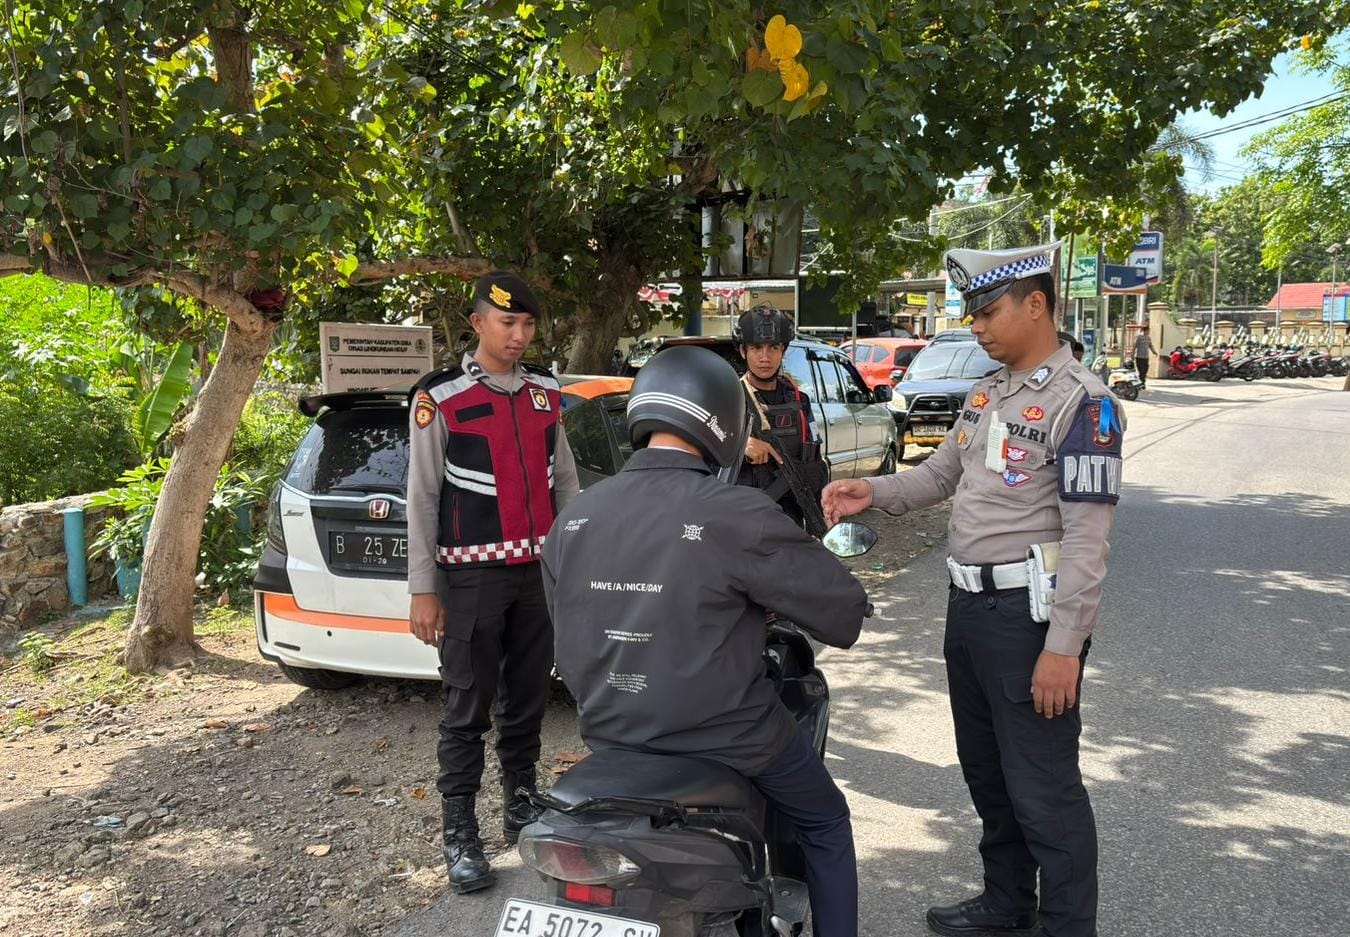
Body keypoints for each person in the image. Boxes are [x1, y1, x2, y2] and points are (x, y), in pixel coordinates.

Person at [823, 243, 1124, 937]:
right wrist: (871, 490)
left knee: (1043, 787)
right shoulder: (989, 392)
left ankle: (1068, 926)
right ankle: (1007, 901)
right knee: (988, 774)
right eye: (972, 313)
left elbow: (1088, 539)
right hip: (969, 610)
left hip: (1027, 619)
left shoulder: (1084, 403)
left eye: (988, 312)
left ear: (1036, 304)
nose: (976, 326)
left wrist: (1064, 648)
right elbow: (938, 476)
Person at [542, 345, 869, 937]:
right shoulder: (736, 511)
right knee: (826, 821)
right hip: (731, 737)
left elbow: (567, 621)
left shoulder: (575, 517)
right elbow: (843, 611)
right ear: (724, 421)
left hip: (611, 735)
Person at [406, 270, 581, 895]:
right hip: (470, 576)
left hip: (537, 574)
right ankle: (460, 834)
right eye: (508, 322)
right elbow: (423, 496)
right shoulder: (440, 396)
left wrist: (574, 557)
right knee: (466, 708)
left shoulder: (545, 392)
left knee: (527, 698)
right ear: (478, 323)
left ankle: (521, 805)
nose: (519, 334)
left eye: (528, 324)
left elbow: (565, 481)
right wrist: (422, 588)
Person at [735, 305, 829, 535]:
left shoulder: (799, 400)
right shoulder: (729, 398)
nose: (765, 358)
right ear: (743, 351)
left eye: (774, 348)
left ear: (783, 351)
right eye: (756, 348)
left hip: (792, 524)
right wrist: (741, 446)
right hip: (743, 524)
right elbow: (700, 455)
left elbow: (814, 460)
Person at [1133, 322, 1159, 388]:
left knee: (1145, 371)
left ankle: (1142, 382)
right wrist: (1132, 354)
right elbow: (1134, 346)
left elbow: (1150, 345)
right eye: (1148, 331)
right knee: (1141, 371)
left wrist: (1154, 351)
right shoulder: (1139, 337)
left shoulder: (1148, 338)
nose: (1148, 332)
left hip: (1146, 357)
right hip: (1139, 356)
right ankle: (1142, 383)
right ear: (1145, 330)